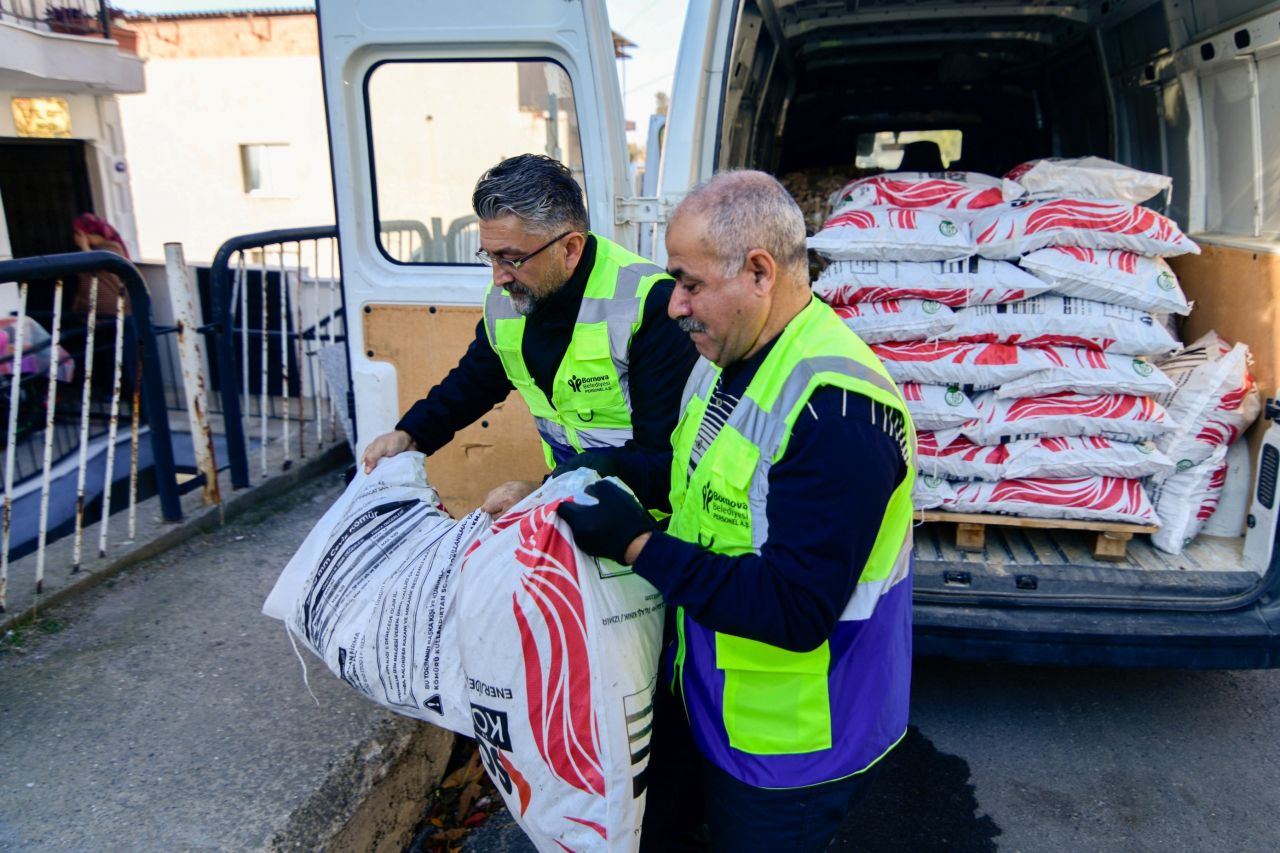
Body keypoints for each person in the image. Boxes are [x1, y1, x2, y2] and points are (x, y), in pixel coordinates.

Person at [556, 170, 916, 852]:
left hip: (793, 747)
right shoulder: (733, 355)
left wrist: (635, 545)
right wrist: (603, 467)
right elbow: (700, 478)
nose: (673, 305)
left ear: (758, 271)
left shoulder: (838, 413)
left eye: (689, 283)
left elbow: (794, 608)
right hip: (709, 701)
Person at [360, 154, 698, 513]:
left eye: (511, 258)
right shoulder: (511, 295)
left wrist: (543, 492)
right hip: (575, 500)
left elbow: (665, 464)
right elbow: (476, 380)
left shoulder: (650, 304)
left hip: (653, 519)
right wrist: (411, 435)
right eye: (489, 256)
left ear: (570, 249)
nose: (498, 277)